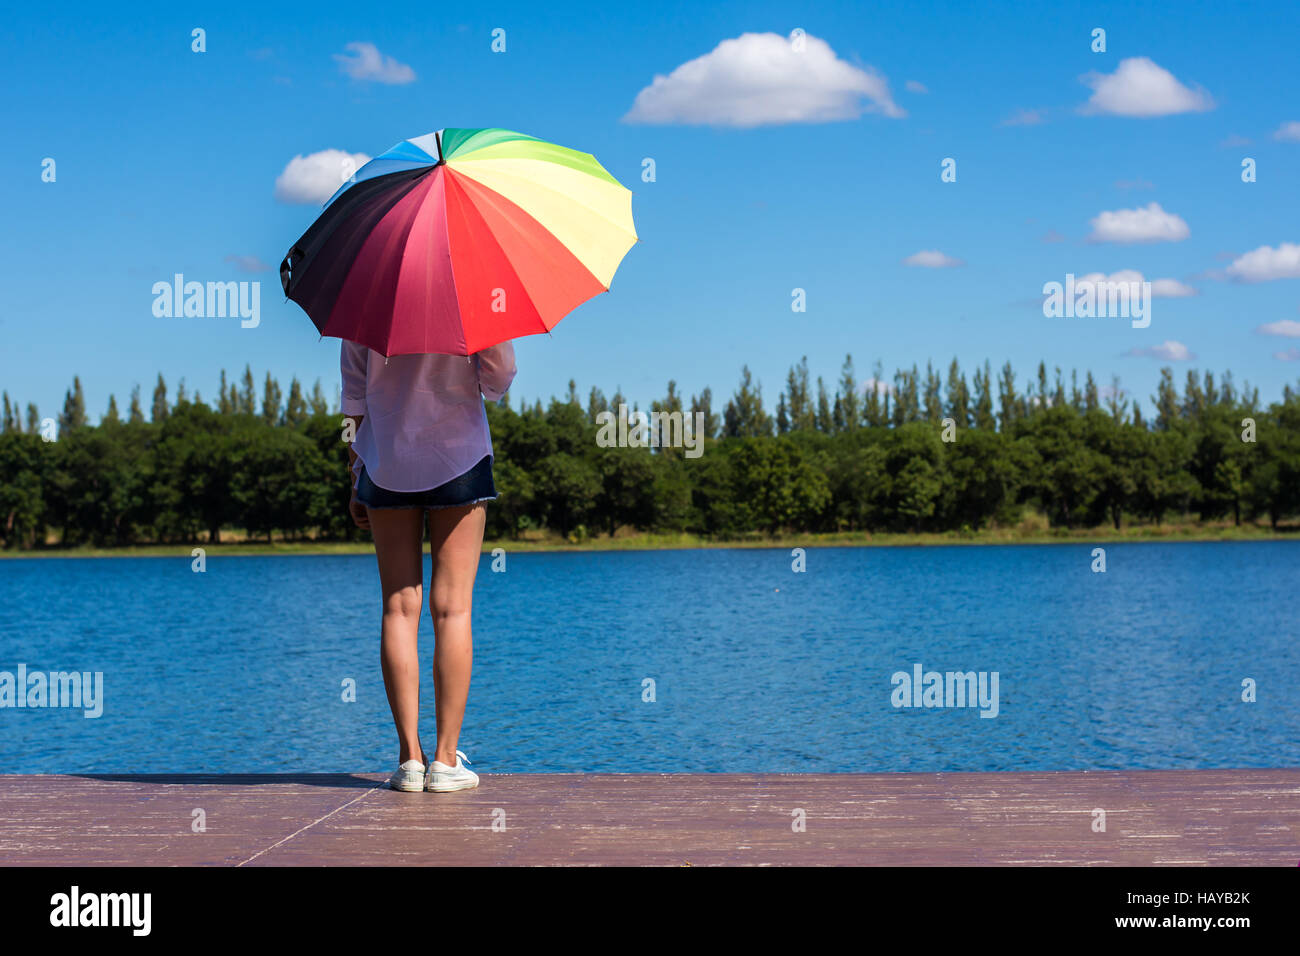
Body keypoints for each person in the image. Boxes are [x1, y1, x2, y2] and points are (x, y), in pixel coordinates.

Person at [341, 340, 516, 792]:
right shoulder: (475, 286)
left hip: (385, 463)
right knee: (452, 608)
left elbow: (353, 398)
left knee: (399, 607)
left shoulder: (364, 287)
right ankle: (444, 761)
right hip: (459, 459)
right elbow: (499, 379)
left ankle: (409, 761)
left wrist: (354, 469)